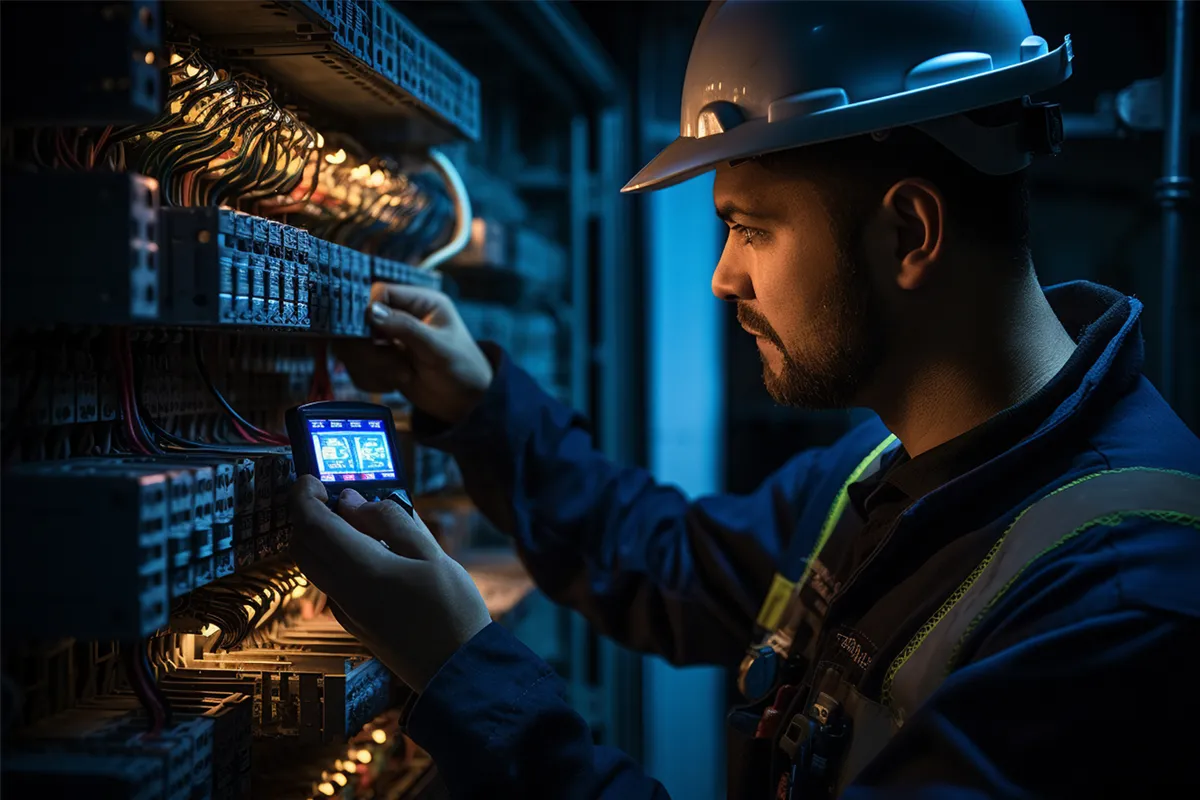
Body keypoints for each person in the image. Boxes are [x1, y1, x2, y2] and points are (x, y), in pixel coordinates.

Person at [289, 1, 1200, 797]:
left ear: (910, 231)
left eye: (750, 229)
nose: (725, 278)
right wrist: (481, 404)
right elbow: (663, 562)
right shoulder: (881, 468)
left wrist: (464, 673)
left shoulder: (1116, 609)